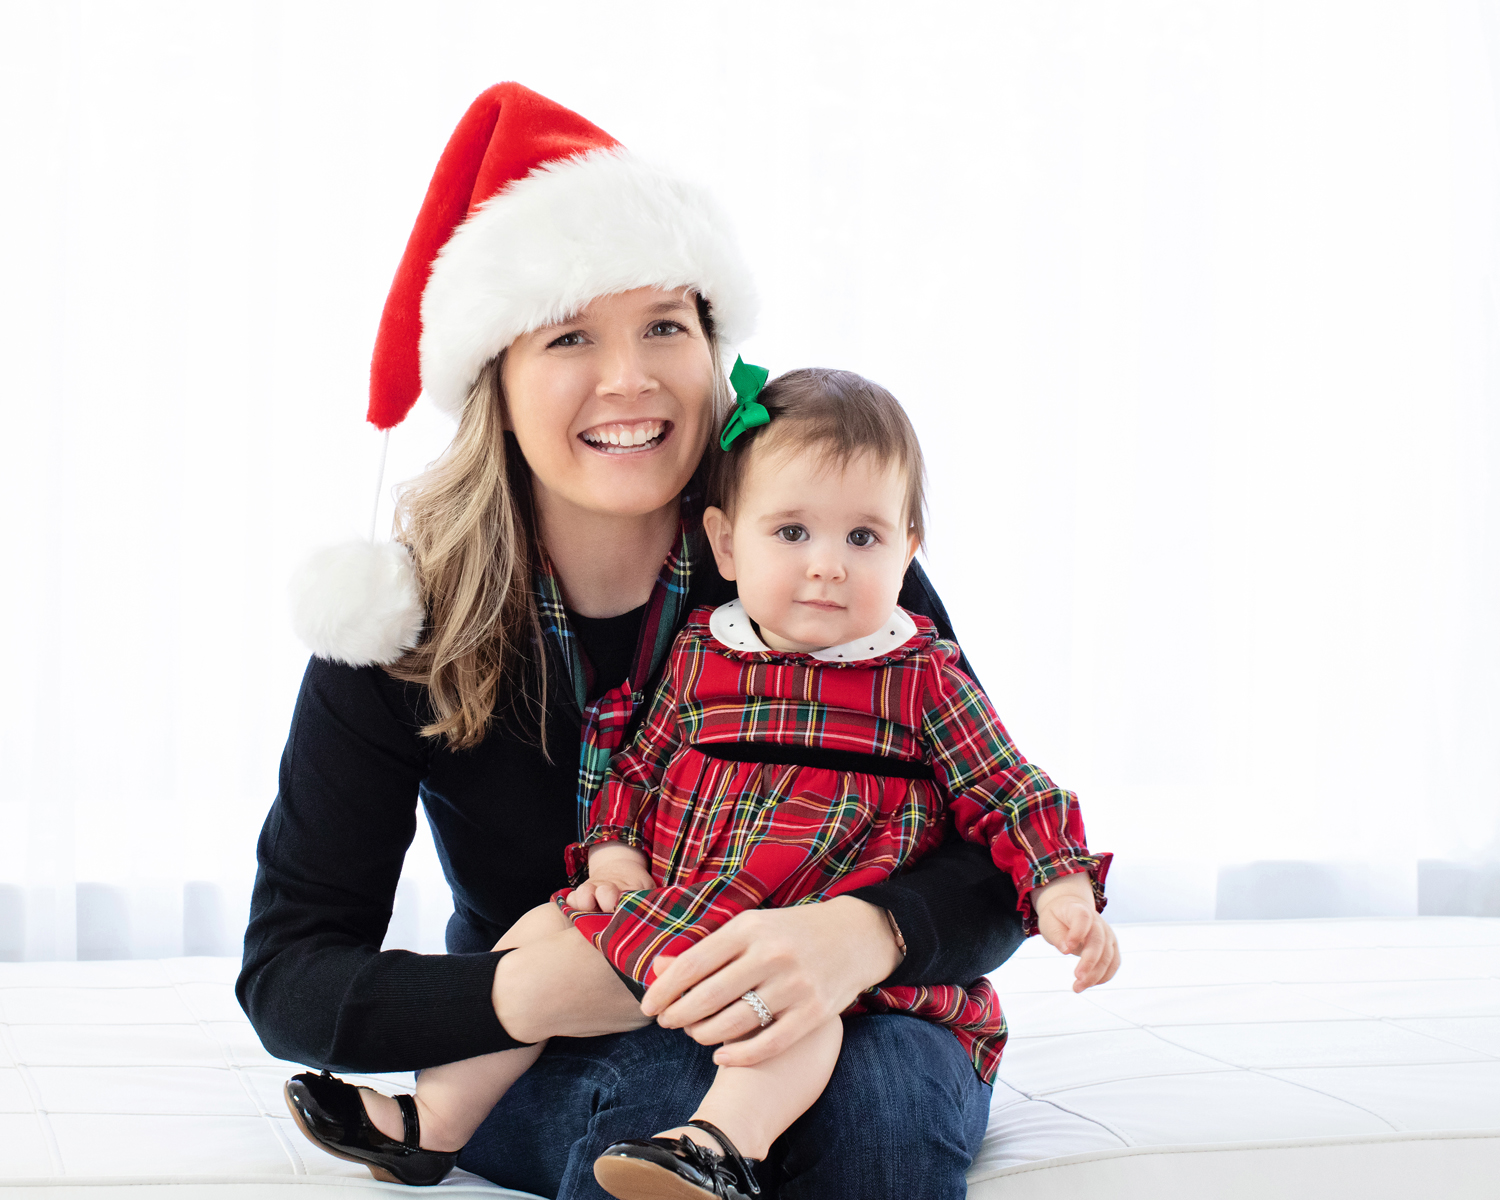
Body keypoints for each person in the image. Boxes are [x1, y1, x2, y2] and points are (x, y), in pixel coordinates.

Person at [241, 83, 1039, 1200]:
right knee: (658, 1094)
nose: (631, 379)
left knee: (878, 1103)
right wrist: (523, 998)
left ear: (713, 350)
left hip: (855, 1004)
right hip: (556, 1021)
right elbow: (288, 975)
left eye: (665, 325)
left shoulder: (813, 558)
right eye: (570, 335)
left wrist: (865, 936)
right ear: (495, 384)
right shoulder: (397, 625)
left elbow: (997, 844)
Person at [293, 367, 1117, 1200]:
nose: (828, 567)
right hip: (680, 917)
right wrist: (610, 856)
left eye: (863, 540)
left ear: (907, 548)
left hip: (828, 972)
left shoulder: (911, 666)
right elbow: (636, 764)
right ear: (730, 543)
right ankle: (432, 1120)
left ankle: (718, 1140)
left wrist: (1052, 887)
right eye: (792, 533)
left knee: (835, 1067)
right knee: (546, 931)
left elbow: (1006, 791)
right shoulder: (705, 649)